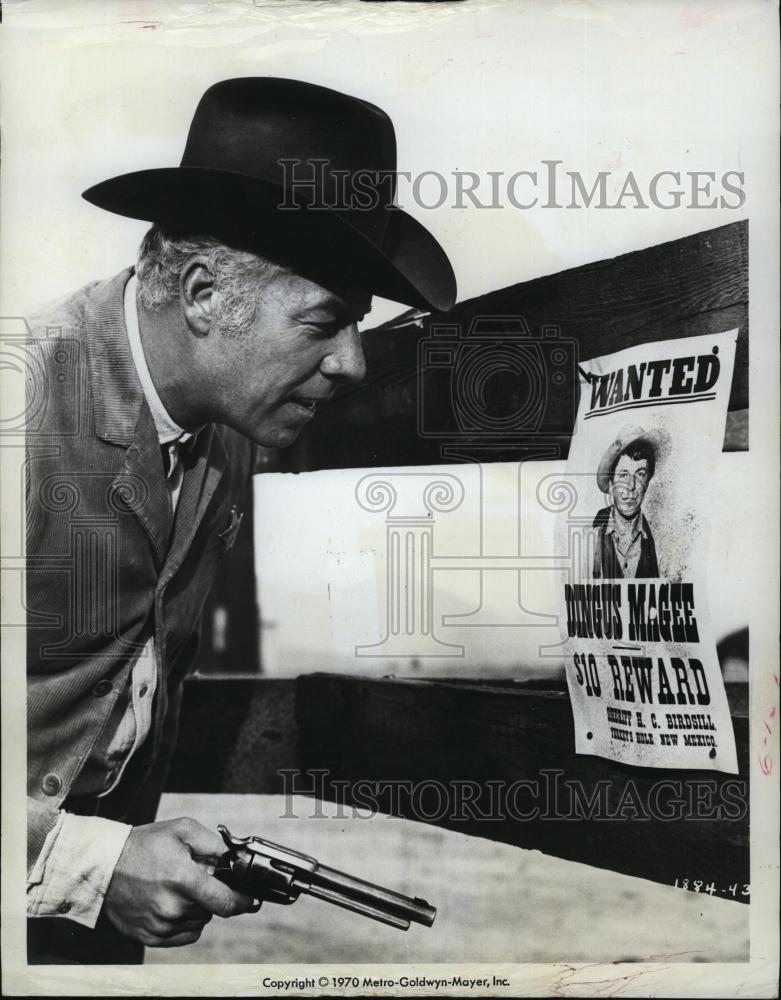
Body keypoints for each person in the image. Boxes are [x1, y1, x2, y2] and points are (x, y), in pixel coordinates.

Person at [25, 77, 456, 964]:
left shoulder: (227, 423)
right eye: (324, 324)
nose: (354, 365)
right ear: (202, 292)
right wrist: (92, 866)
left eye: (360, 326)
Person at [592, 426, 660, 579]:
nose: (631, 486)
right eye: (623, 475)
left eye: (640, 474)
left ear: (647, 484)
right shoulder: (588, 540)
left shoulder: (660, 544)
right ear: (610, 484)